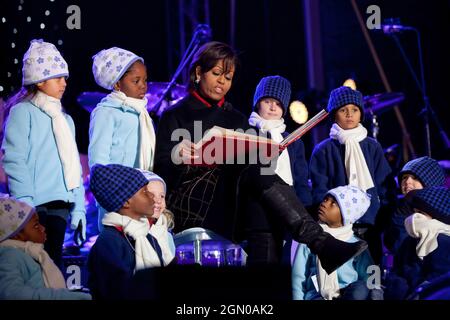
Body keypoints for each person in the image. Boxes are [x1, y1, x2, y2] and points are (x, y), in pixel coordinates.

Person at [154, 42, 367, 274]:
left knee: (259, 168)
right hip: (194, 201)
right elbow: (161, 171)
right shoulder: (175, 115)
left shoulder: (236, 119)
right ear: (198, 72)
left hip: (230, 201)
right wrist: (180, 155)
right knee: (256, 172)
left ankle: (306, 251)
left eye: (228, 77)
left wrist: (267, 153)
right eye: (216, 74)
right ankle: (319, 242)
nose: (222, 83)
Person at [2, 39, 87, 268]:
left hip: (60, 203)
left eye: (65, 78)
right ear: (39, 82)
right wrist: (25, 203)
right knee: (33, 264)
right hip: (34, 205)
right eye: (58, 77)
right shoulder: (22, 112)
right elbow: (14, 159)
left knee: (53, 263)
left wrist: (78, 207)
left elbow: (73, 166)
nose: (64, 83)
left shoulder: (65, 120)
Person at [309, 86, 392, 263]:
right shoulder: (324, 150)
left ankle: (375, 287)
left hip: (371, 221)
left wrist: (384, 213)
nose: (349, 114)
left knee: (372, 266)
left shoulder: (372, 146)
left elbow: (383, 183)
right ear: (333, 115)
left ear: (361, 114)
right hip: (338, 225)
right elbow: (319, 188)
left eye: (354, 110)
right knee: (346, 271)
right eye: (343, 110)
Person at [244, 75, 311, 264]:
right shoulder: (247, 133)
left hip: (290, 218)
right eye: (267, 101)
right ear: (257, 103)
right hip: (260, 217)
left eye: (278, 103)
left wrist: (304, 210)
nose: (273, 107)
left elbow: (300, 178)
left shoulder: (293, 139)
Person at [89, 47, 156, 231]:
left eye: (145, 80)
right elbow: (99, 161)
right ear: (117, 84)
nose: (143, 85)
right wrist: (112, 195)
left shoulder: (141, 112)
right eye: (136, 81)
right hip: (117, 198)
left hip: (140, 195)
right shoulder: (106, 112)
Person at [87, 164, 175, 300]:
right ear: (126, 202)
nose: (153, 198)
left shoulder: (147, 236)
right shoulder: (109, 242)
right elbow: (117, 290)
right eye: (145, 192)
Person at [292, 185, 379, 300]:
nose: (324, 203)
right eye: (325, 199)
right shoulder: (310, 237)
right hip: (318, 296)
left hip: (348, 295)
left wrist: (376, 293)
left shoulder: (356, 244)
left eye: (333, 203)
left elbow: (371, 273)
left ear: (345, 215)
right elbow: (299, 276)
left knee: (360, 290)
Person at [0, 195, 91, 300]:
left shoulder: (32, 254)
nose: (43, 228)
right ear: (16, 234)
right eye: (36, 225)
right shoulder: (9, 256)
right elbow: (10, 294)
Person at [384, 186, 450, 300]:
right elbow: (397, 269)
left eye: (421, 213)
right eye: (415, 212)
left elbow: (437, 279)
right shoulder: (410, 240)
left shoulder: (443, 242)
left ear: (437, 217)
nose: (415, 217)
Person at [384, 156, 446, 254]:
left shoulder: (443, 208)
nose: (407, 182)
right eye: (404, 177)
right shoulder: (400, 210)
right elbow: (397, 245)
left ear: (431, 181)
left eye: (415, 178)